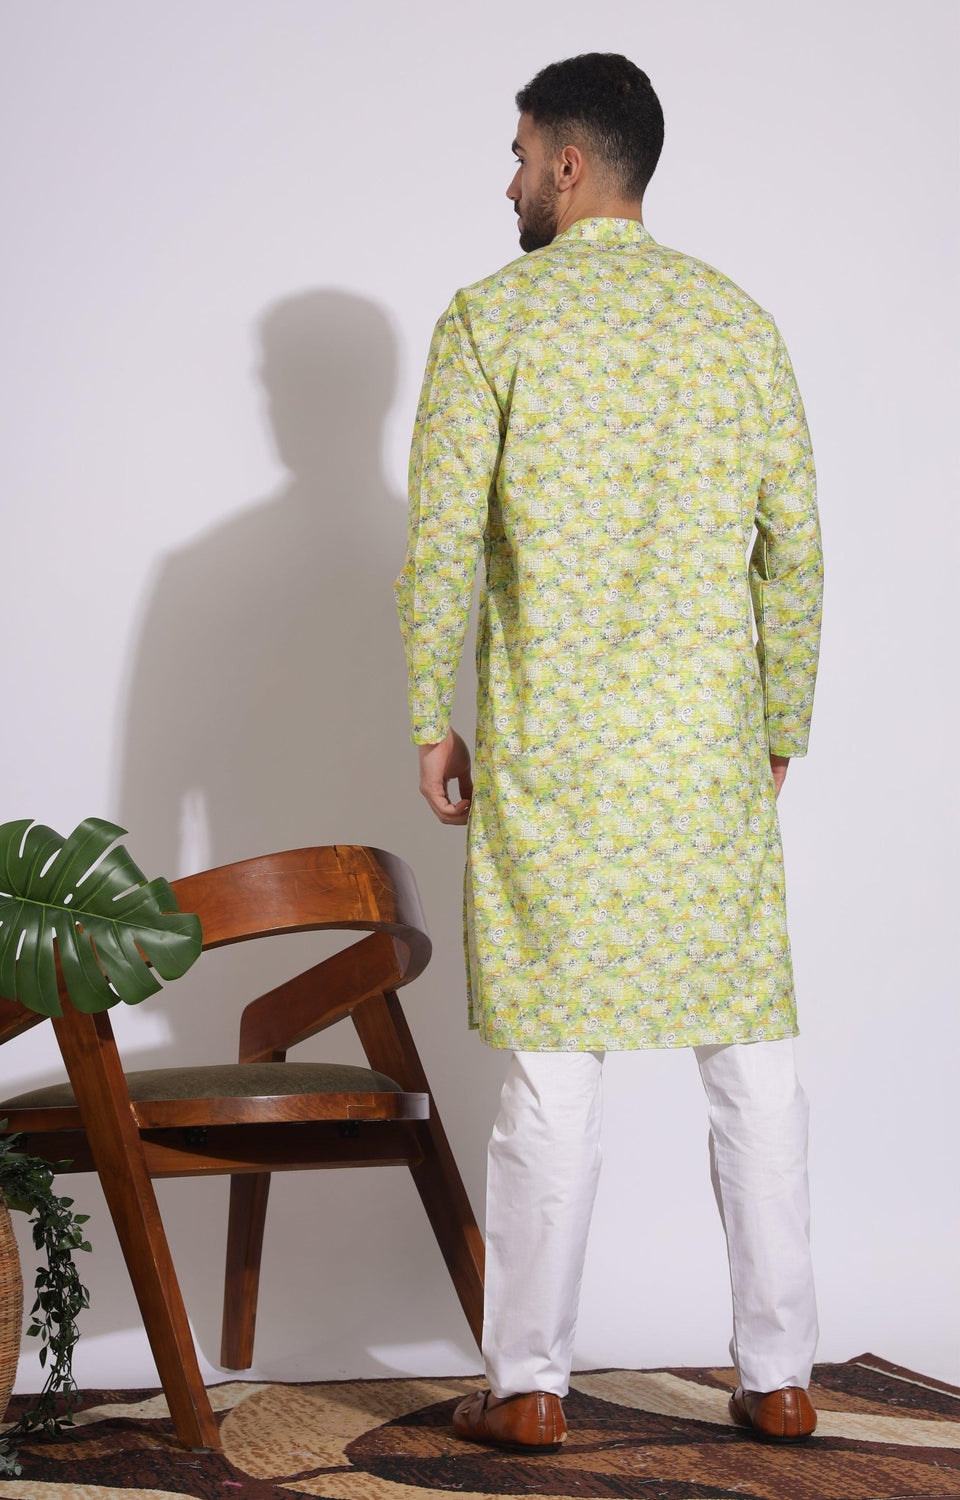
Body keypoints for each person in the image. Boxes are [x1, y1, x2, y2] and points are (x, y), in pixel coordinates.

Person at [393, 52, 824, 1450]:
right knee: (751, 1062)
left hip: (556, 760)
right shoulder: (735, 323)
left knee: (550, 1076)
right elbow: (795, 550)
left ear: (570, 166)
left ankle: (528, 1385)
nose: (511, 179)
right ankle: (782, 1375)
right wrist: (781, 723)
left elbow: (442, 543)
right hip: (705, 757)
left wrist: (429, 714)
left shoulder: (491, 321)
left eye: (521, 154)